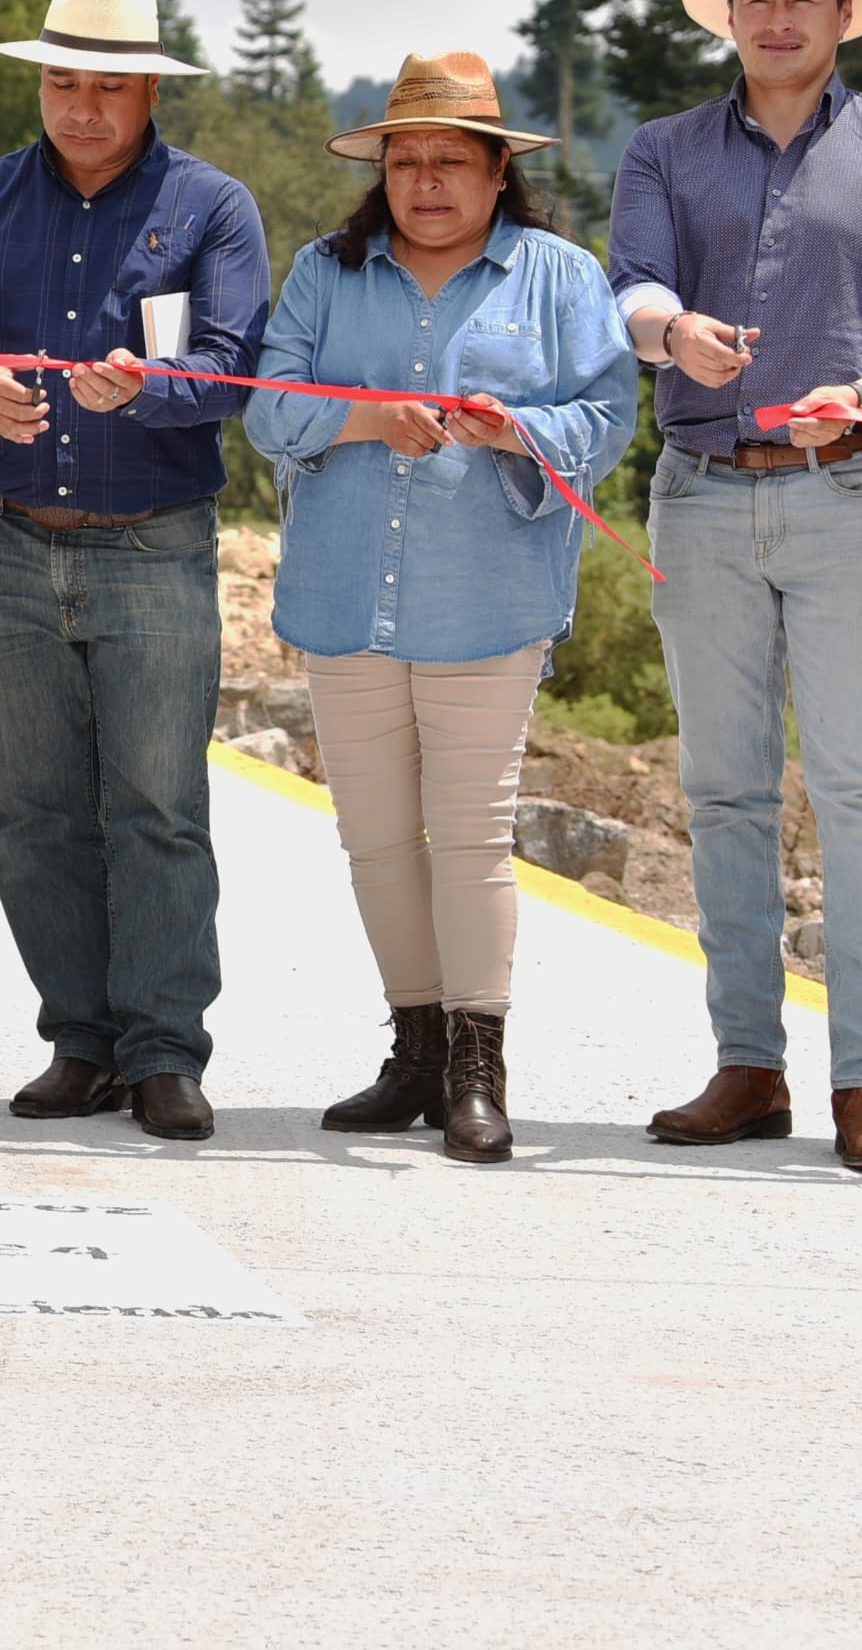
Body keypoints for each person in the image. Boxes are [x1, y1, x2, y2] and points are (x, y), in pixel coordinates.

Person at [611, 0, 862, 1177]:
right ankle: (747, 1065)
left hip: (853, 498)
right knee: (721, 791)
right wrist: (675, 334)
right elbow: (631, 287)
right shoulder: (660, 150)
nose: (776, 17)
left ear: (841, 14)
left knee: (858, 794)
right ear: (727, 13)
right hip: (701, 490)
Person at [0, 0, 268, 1141]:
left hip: (151, 547)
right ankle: (80, 1038)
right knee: (27, 808)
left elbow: (229, 366)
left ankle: (162, 1049)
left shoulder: (212, 209)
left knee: (155, 802)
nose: (81, 106)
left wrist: (151, 393)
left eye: (106, 86)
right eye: (61, 81)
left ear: (148, 92)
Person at [246, 57, 637, 1165]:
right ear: (380, 169)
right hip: (340, 595)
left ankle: (477, 1064)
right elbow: (266, 411)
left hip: (488, 597)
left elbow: (607, 415)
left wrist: (514, 429)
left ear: (496, 169)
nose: (424, 182)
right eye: (404, 160)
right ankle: (412, 1051)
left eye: (448, 161)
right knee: (372, 840)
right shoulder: (325, 273)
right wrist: (365, 416)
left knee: (469, 838)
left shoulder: (559, 278)